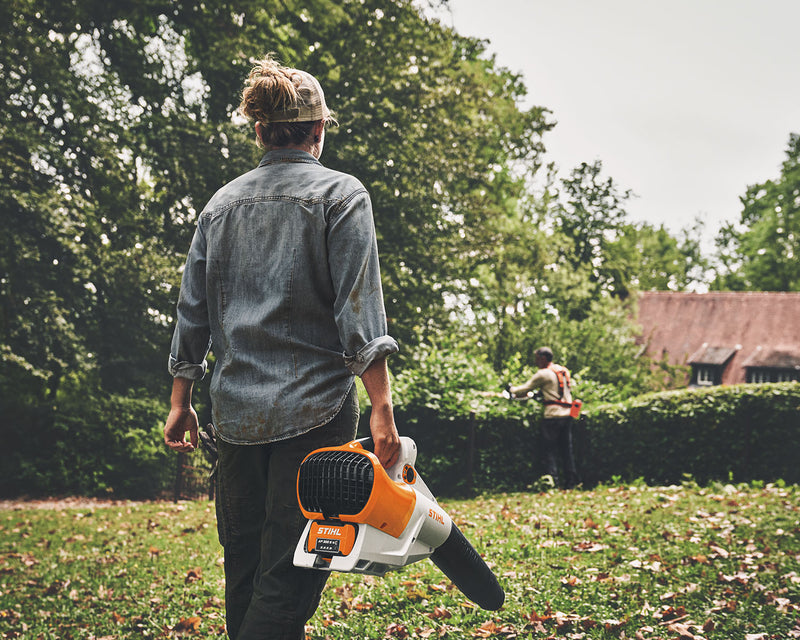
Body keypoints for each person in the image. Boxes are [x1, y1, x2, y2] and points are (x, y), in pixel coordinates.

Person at [163, 54, 401, 640]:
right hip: (315, 414)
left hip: (234, 413)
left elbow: (192, 311)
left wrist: (180, 399)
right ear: (318, 130)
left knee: (242, 563)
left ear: (260, 131)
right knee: (292, 570)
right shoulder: (341, 195)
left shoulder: (219, 206)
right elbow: (359, 310)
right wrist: (382, 408)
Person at [507, 347, 580, 489]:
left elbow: (524, 389)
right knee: (566, 450)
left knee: (548, 450)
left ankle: (551, 482)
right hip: (568, 414)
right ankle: (571, 482)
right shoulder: (563, 370)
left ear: (543, 358)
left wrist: (511, 389)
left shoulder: (543, 374)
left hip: (553, 415)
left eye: (537, 358)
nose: (536, 362)